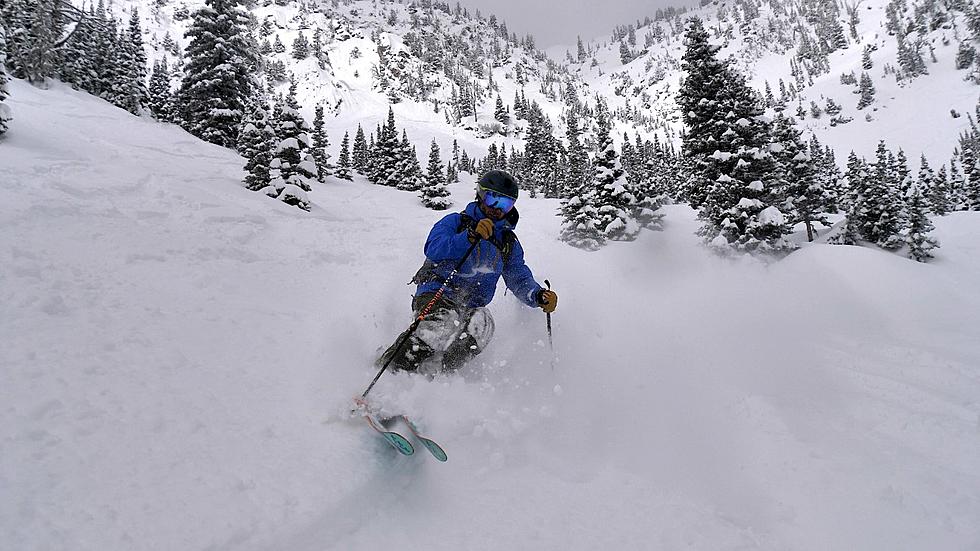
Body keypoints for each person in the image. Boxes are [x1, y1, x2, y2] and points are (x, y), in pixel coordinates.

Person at [377, 170, 558, 374]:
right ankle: (392, 368)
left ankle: (438, 372)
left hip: (471, 303)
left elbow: (518, 276)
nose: (496, 209)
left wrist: (537, 295)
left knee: (483, 325)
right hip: (437, 291)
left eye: (505, 204)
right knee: (444, 322)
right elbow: (434, 248)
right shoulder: (456, 222)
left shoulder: (507, 242)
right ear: (480, 195)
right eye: (492, 200)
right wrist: (469, 237)